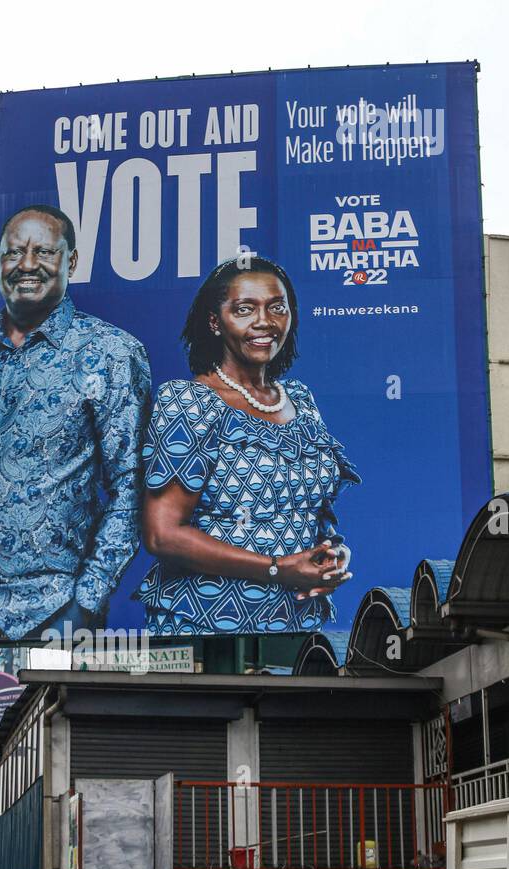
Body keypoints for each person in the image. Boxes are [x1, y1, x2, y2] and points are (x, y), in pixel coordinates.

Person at [135, 256, 360, 635]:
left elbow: (309, 513)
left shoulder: (301, 400)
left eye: (277, 308)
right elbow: (163, 535)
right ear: (214, 321)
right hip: (205, 626)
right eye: (244, 309)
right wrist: (278, 568)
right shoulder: (189, 402)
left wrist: (329, 556)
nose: (264, 322)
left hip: (296, 622)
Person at [0, 204, 151, 643]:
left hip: (58, 609)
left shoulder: (112, 353)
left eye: (43, 251)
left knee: (58, 716)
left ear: (71, 261)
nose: (27, 265)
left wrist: (85, 604)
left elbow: (134, 486)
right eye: (13, 253)